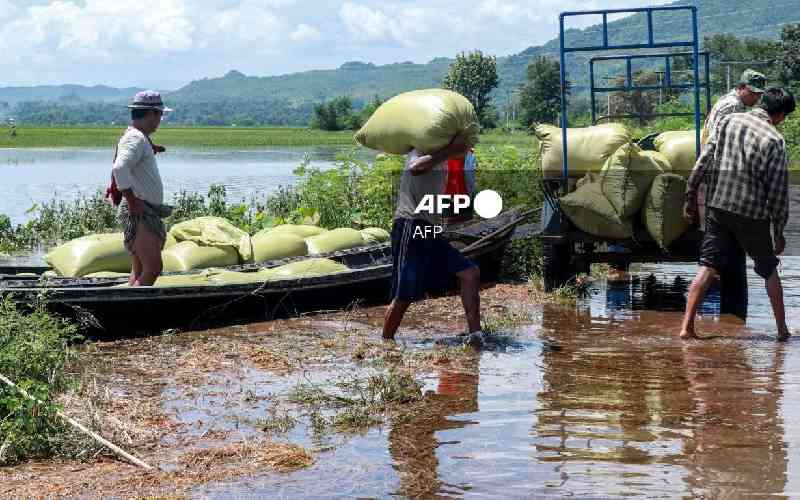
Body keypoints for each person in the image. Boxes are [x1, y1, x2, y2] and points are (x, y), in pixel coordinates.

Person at [680, 87, 795, 341]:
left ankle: (687, 328)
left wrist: (690, 195)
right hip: (751, 213)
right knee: (769, 269)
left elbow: (705, 159)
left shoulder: (728, 121)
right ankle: (782, 331)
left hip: (718, 207)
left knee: (708, 266)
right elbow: (777, 192)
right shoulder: (774, 139)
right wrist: (779, 232)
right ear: (780, 116)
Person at [382, 133, 485, 346]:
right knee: (404, 294)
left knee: (470, 273)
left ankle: (476, 336)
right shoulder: (419, 151)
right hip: (410, 225)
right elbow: (416, 168)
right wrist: (449, 151)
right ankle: (386, 342)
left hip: (429, 229)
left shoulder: (443, 162)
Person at [111, 91, 173, 286]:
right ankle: (131, 309)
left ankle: (129, 299)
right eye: (159, 115)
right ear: (152, 114)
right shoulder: (136, 139)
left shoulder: (139, 138)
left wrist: (151, 148)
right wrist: (131, 201)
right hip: (140, 210)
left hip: (142, 209)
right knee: (153, 268)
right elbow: (119, 168)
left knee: (139, 269)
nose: (160, 120)